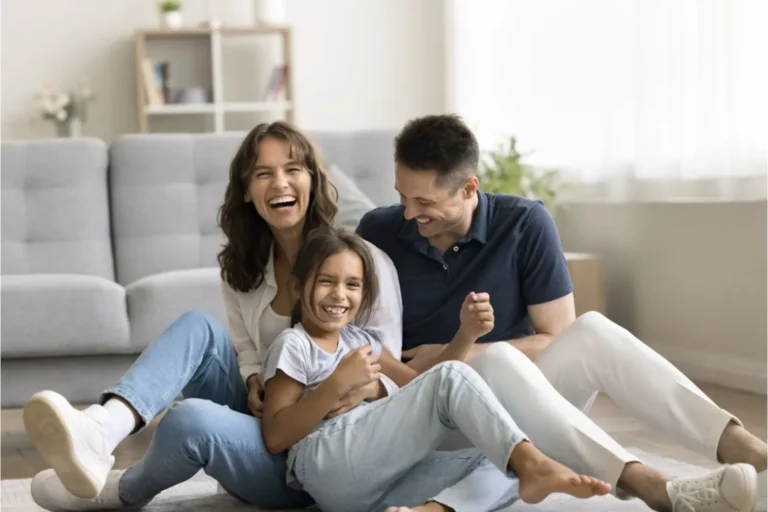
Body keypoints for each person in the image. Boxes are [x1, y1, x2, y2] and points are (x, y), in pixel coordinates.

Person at [357, 113, 767, 512]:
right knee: (498, 356)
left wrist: (459, 350)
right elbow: (355, 336)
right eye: (401, 196)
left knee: (590, 331)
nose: (409, 214)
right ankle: (651, 485)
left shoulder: (523, 223)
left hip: (524, 407)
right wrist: (445, 364)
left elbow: (558, 338)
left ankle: (751, 454)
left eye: (424, 201)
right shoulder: (378, 230)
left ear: (469, 188)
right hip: (432, 415)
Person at [21, 121, 405, 511]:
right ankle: (102, 429)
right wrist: (254, 377)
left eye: (293, 170)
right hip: (261, 424)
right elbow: (247, 350)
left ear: (313, 180)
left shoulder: (362, 265)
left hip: (314, 458)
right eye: (262, 173)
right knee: (197, 326)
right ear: (246, 191)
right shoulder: (242, 268)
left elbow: (392, 375)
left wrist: (358, 387)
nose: (280, 183)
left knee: (190, 420)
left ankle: (121, 494)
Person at [260, 226, 612, 512]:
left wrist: (466, 333)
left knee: (499, 461)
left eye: (352, 285)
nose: (339, 294)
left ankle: (433, 510)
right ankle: (533, 462)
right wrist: (335, 385)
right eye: (325, 281)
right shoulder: (295, 344)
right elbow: (276, 437)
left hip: (367, 487)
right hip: (325, 463)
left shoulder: (362, 342)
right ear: (297, 286)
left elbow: (423, 388)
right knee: (483, 416)